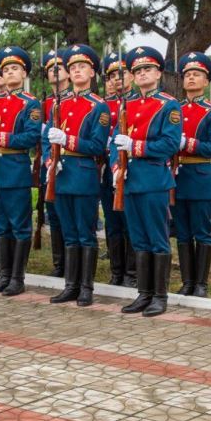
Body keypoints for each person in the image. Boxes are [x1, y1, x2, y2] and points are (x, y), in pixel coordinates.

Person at [117, 46, 182, 317]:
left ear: (158, 73)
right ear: (133, 76)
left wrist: (135, 146)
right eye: (138, 70)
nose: (143, 74)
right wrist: (116, 166)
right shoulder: (126, 104)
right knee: (139, 239)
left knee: (157, 239)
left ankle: (160, 296)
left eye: (148, 69)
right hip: (130, 179)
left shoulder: (169, 105)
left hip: (153, 179)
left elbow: (169, 144)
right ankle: (143, 294)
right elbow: (116, 141)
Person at [45, 45, 108, 306]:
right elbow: (48, 138)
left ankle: (86, 287)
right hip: (61, 175)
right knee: (69, 233)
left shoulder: (99, 107)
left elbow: (97, 146)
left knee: (85, 233)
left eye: (82, 67)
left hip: (83, 175)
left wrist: (67, 140)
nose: (77, 71)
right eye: (72, 68)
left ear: (92, 72)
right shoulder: (58, 103)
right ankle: (70, 285)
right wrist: (50, 160)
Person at [0, 47, 42, 296]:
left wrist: (1, 138)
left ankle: (17, 278)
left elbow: (31, 137)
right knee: (0, 225)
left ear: (24, 73)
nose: (10, 73)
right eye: (5, 70)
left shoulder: (30, 103)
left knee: (19, 225)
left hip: (15, 169)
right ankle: (3, 276)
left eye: (15, 68)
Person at [173, 52, 211, 297]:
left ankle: (201, 283)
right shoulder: (174, 109)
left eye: (197, 74)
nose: (191, 78)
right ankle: (187, 282)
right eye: (188, 75)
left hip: (200, 176)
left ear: (206, 81)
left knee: (202, 232)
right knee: (182, 232)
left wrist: (191, 144)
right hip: (177, 177)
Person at [99, 51, 134, 286]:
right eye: (112, 76)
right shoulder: (104, 105)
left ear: (131, 75)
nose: (116, 79)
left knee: (129, 222)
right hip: (106, 167)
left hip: (131, 168)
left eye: (121, 74)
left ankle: (132, 273)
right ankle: (116, 272)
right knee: (112, 222)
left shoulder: (138, 102)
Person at [38, 48, 71, 277]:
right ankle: (59, 264)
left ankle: (71, 265)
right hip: (49, 166)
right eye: (51, 68)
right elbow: (43, 139)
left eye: (59, 67)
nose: (55, 71)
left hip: (70, 166)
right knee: (54, 215)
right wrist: (48, 159)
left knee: (68, 216)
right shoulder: (46, 102)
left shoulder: (71, 99)